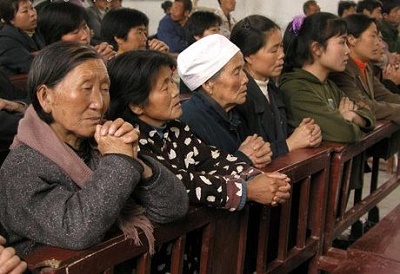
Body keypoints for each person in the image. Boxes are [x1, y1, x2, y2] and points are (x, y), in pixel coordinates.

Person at [0, 41, 188, 256]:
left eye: (105, 89)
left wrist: (138, 162)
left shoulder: (101, 142)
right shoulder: (21, 168)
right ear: (45, 97)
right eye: (86, 88)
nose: (99, 103)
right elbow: (77, 230)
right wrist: (120, 161)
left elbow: (174, 208)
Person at [230, 15, 322, 158]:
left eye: (282, 47)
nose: (282, 55)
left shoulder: (273, 90)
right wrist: (290, 144)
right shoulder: (239, 98)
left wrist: (307, 134)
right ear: (248, 56)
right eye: (274, 50)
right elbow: (250, 155)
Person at [178, 34, 273, 168]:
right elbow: (201, 177)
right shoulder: (189, 123)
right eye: (236, 72)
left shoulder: (235, 111)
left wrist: (261, 152)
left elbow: (255, 149)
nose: (245, 79)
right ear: (208, 84)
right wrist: (242, 158)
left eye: (243, 70)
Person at [280, 12, 375, 143]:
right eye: (342, 42)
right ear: (317, 49)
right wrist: (349, 122)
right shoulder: (296, 90)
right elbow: (346, 133)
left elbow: (369, 113)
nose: (348, 50)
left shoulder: (328, 85)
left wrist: (353, 116)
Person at [329, 14, 400, 124]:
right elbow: (363, 105)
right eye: (373, 36)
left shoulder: (366, 66)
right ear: (352, 40)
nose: (379, 43)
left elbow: (384, 96)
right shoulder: (342, 71)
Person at [37, 1, 116, 61]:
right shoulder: (52, 63)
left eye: (85, 27)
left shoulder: (92, 49)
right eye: (75, 32)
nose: (85, 36)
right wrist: (97, 61)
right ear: (54, 37)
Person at [0, 0, 46, 74]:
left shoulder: (36, 31)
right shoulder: (5, 40)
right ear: (11, 19)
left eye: (32, 8)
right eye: (25, 11)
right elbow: (30, 65)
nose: (32, 14)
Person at [101, 8, 169, 55]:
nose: (145, 38)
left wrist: (163, 58)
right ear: (119, 38)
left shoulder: (145, 60)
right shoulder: (108, 69)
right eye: (139, 32)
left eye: (144, 33)